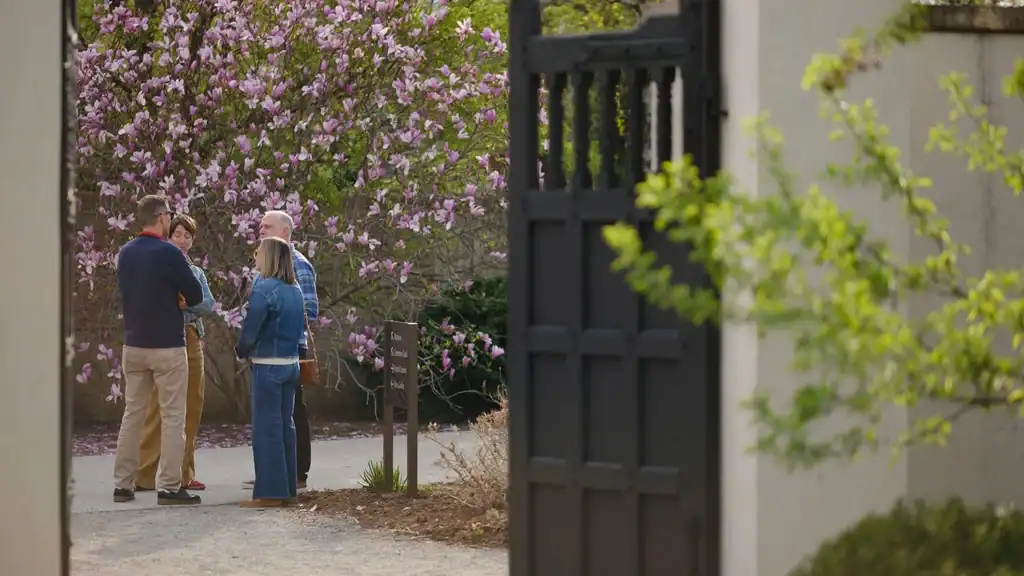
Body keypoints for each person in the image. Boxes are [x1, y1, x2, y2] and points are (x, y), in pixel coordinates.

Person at [112, 195, 204, 505]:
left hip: (134, 344)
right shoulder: (169, 253)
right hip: (167, 345)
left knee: (132, 415)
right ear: (162, 217)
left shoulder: (125, 253)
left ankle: (123, 484)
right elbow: (194, 293)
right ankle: (168, 486)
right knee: (173, 417)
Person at [135, 214, 215, 493]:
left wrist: (187, 304)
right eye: (176, 234)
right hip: (165, 340)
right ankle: (144, 474)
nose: (181, 240)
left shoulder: (197, 272)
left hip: (191, 338)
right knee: (157, 408)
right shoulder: (158, 267)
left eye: (187, 236)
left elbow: (207, 304)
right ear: (167, 237)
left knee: (192, 406)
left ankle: (185, 473)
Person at [243, 210, 318, 491]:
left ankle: (297, 473)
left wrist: (273, 320)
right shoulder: (265, 266)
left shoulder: (299, 265)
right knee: (276, 416)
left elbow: (310, 310)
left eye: (267, 226)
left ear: (285, 231)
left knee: (291, 413)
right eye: (260, 226)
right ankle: (274, 474)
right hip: (267, 350)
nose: (261, 230)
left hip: (287, 348)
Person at [235, 236, 306, 508]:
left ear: (270, 257)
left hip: (268, 365)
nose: (256, 256)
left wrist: (241, 350)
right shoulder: (295, 289)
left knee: (267, 429)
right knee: (286, 425)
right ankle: (287, 488)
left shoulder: (264, 289)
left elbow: (251, 330)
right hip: (291, 365)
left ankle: (270, 493)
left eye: (259, 252)